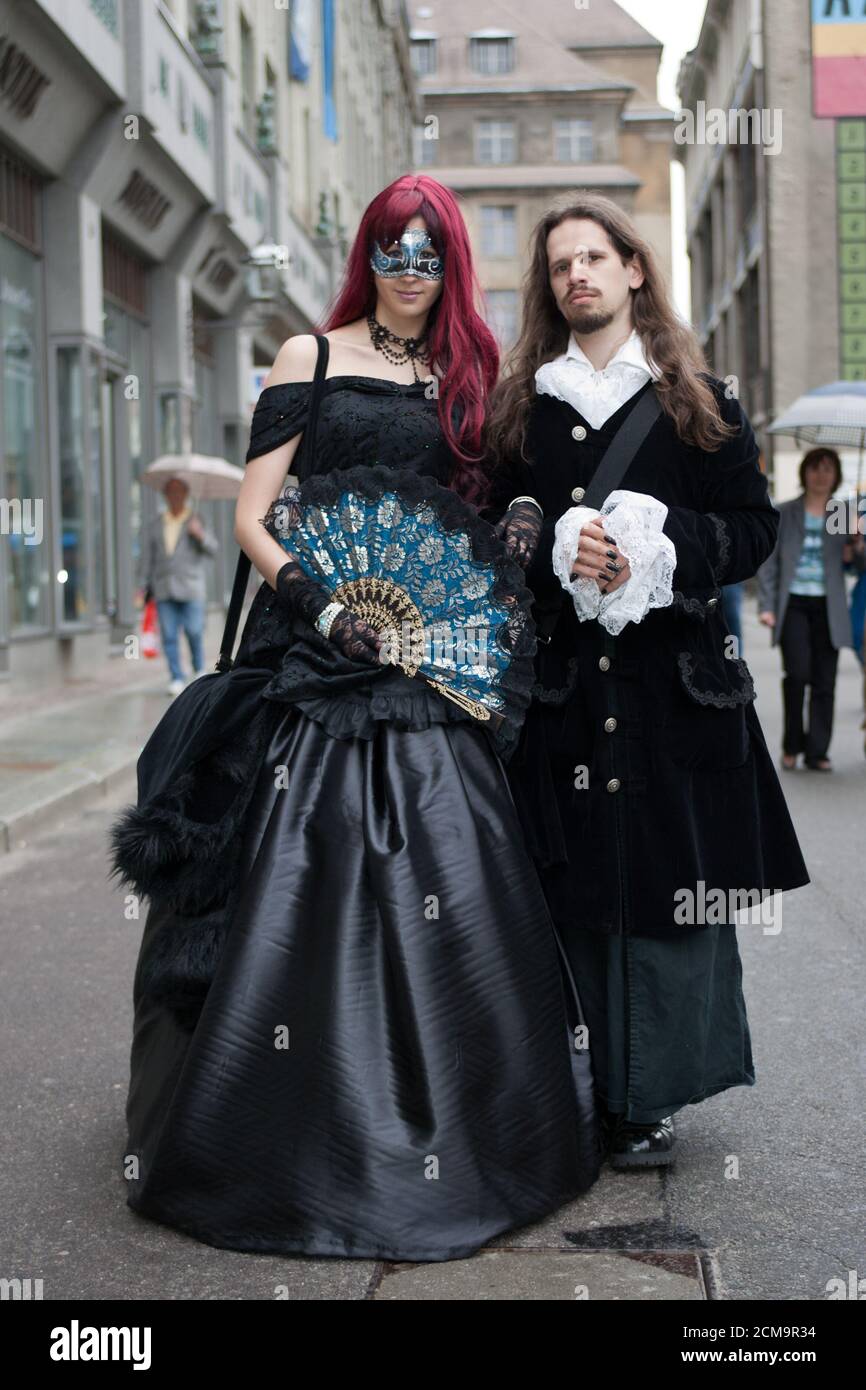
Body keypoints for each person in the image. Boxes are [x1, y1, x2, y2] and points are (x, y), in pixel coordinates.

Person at [110, 175, 600, 1264]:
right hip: (314, 663)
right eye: (392, 250)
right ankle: (288, 1139)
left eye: (430, 255)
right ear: (368, 255)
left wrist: (515, 535)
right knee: (298, 887)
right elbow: (250, 513)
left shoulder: (474, 374)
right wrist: (318, 603)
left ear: (453, 262)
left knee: (456, 894)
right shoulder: (308, 357)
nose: (411, 272)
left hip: (427, 676)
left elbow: (508, 489)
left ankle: (475, 1137)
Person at [485, 194, 810, 1168]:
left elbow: (753, 531)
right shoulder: (519, 411)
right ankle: (576, 1093)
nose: (575, 275)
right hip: (563, 699)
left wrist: (656, 547)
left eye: (594, 257)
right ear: (548, 289)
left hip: (673, 696)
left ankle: (647, 1097)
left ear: (633, 269)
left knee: (671, 892)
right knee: (572, 890)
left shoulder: (699, 399)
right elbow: (493, 531)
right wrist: (538, 548)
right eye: (558, 266)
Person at [757, 448, 866, 771]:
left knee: (825, 680)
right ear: (805, 472)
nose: (821, 475)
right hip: (793, 603)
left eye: (828, 469)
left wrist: (857, 544)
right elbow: (769, 563)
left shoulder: (842, 513)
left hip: (830, 605)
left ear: (836, 476)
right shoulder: (786, 511)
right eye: (816, 468)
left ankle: (817, 751)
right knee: (798, 673)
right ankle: (792, 743)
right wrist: (766, 606)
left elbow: (856, 566)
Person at [138, 477, 219, 696]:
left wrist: (199, 534)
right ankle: (176, 677)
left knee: (194, 631)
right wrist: (143, 585)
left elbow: (213, 548)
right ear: (165, 495)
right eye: (170, 492)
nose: (175, 496)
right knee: (169, 636)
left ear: (185, 495)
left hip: (191, 587)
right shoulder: (156, 523)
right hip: (164, 588)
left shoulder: (197, 519)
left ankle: (199, 668)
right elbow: (148, 558)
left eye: (179, 492)